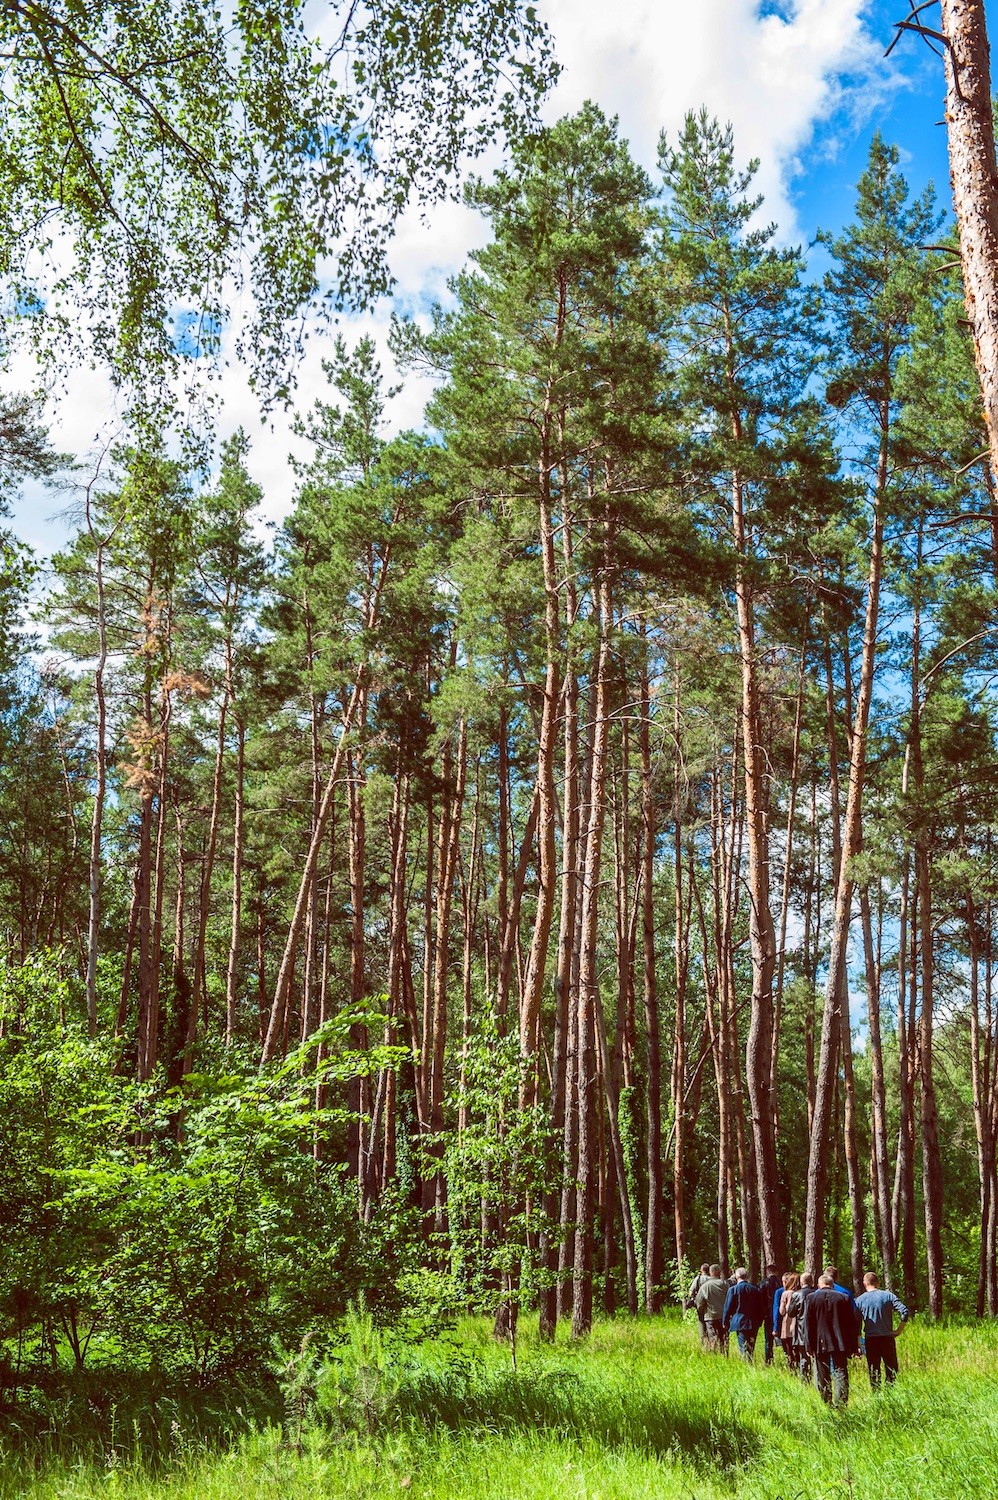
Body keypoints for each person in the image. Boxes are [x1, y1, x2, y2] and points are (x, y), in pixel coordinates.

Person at [803, 1273, 859, 1407]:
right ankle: (841, 1403)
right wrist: (853, 1345)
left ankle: (826, 1401)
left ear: (819, 1285)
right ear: (832, 1285)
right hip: (840, 1341)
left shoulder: (811, 1298)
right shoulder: (843, 1298)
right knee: (840, 1372)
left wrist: (808, 1345)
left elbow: (808, 1324)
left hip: (819, 1341)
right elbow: (851, 1323)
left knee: (822, 1372)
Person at [855, 1271, 909, 1388]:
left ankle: (877, 1395)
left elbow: (857, 1324)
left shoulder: (859, 1300)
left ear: (865, 1284)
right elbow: (904, 1311)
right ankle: (891, 1393)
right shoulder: (888, 1296)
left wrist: (859, 1343)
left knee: (874, 1370)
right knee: (891, 1369)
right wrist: (898, 1330)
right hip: (887, 1338)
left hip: (871, 1340)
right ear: (878, 1283)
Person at [722, 1267, 764, 1362]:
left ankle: (747, 1364)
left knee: (743, 1347)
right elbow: (760, 1307)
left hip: (739, 1322)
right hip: (754, 1323)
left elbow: (727, 1308)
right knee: (751, 1346)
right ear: (746, 1276)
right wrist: (760, 1321)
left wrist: (725, 1322)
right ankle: (750, 1362)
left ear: (736, 1277)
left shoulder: (733, 1290)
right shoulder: (755, 1289)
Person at [695, 1263, 730, 1353]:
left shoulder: (705, 1286)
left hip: (711, 1317)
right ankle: (725, 1356)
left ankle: (714, 1358)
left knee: (713, 1339)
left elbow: (699, 1303)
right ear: (719, 1272)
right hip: (724, 1317)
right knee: (724, 1339)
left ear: (710, 1273)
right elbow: (730, 1299)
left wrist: (703, 1313)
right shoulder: (725, 1284)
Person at [789, 1272, 815, 1382]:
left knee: (803, 1357)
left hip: (800, 1330)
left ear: (801, 1282)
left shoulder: (796, 1295)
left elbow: (790, 1312)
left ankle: (805, 1380)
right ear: (812, 1282)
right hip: (815, 1330)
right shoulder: (816, 1293)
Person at [778, 1272, 801, 1369]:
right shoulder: (800, 1293)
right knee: (798, 1350)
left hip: (788, 1323)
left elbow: (782, 1311)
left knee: (789, 1350)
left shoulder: (786, 1293)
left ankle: (791, 1368)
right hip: (799, 1323)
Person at [760, 1265, 782, 1366]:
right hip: (780, 1314)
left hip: (768, 1315)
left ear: (767, 1272)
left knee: (768, 1340)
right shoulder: (781, 1282)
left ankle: (768, 1360)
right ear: (776, 1271)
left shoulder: (764, 1283)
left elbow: (760, 1299)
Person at [686, 1263, 711, 1345]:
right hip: (711, 1305)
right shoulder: (712, 1279)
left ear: (701, 1270)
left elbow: (691, 1291)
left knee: (701, 1322)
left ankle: (704, 1342)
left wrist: (694, 1299)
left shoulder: (698, 1278)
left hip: (700, 1304)